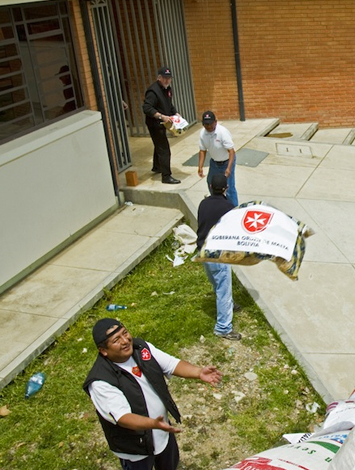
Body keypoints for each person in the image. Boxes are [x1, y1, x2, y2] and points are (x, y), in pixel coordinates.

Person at [83, 318, 223, 469]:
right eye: (116, 339)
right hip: (136, 448)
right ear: (103, 350)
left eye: (125, 333)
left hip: (162, 432)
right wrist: (152, 424)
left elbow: (171, 364)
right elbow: (122, 417)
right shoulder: (100, 381)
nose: (125, 341)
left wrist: (198, 372)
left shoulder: (141, 348)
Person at [197, 174, 242, 340]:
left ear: (210, 186)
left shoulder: (203, 204)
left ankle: (228, 306)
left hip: (203, 251)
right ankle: (223, 328)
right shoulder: (229, 208)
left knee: (218, 284)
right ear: (226, 188)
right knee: (223, 288)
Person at [143, 66, 180, 184]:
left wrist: (175, 113)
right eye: (164, 78)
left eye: (169, 78)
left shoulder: (167, 89)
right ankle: (166, 176)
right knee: (164, 149)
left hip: (164, 122)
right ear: (159, 78)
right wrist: (161, 116)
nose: (167, 81)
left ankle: (157, 166)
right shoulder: (153, 91)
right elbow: (147, 108)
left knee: (159, 144)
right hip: (155, 124)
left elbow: (169, 104)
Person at [197, 111, 238, 206]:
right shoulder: (203, 134)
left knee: (229, 187)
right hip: (214, 162)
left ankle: (234, 208)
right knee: (211, 182)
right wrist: (200, 166)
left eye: (210, 124)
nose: (208, 127)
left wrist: (228, 168)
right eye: (206, 124)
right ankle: (217, 202)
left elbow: (231, 152)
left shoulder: (222, 132)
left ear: (215, 122)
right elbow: (202, 150)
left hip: (227, 161)